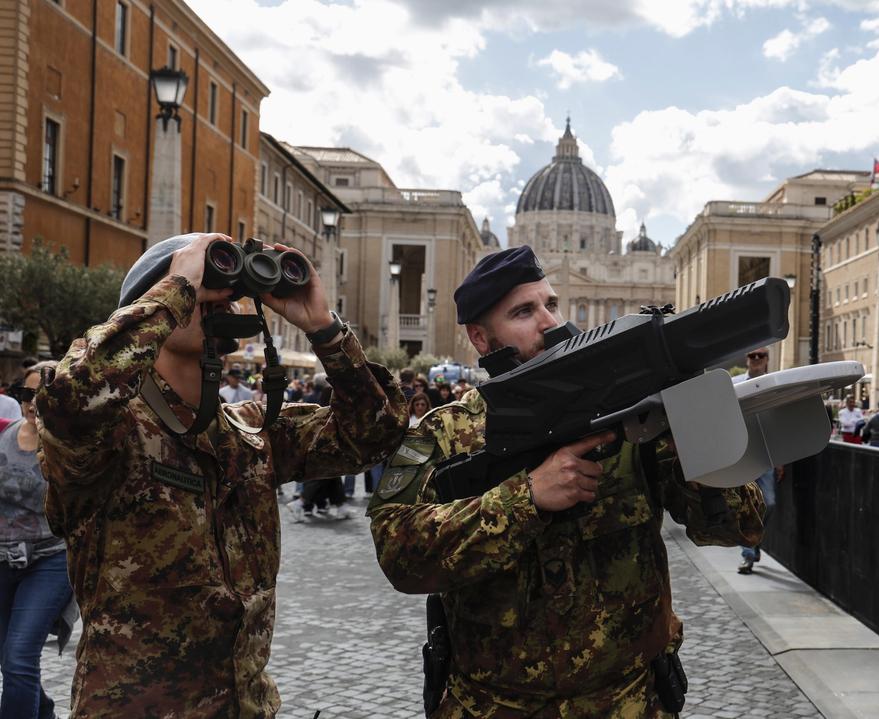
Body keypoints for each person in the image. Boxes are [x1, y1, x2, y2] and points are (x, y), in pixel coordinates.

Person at [367, 245, 764, 716]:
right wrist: (524, 499)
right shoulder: (446, 432)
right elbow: (399, 555)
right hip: (493, 706)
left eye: (551, 304)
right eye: (523, 312)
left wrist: (697, 433)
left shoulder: (630, 418)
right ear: (480, 337)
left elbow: (739, 526)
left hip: (630, 703)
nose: (550, 322)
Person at [35, 232, 408, 717]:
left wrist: (323, 328)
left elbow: (372, 434)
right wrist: (177, 287)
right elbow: (73, 398)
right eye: (198, 289)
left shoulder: (251, 430)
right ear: (149, 308)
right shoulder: (109, 434)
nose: (213, 301)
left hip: (245, 705)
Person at [1, 363, 76, 719]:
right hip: (3, 560)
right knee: (8, 661)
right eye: (27, 394)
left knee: (18, 658)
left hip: (50, 561)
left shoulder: (75, 448)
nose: (33, 403)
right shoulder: (2, 436)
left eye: (43, 394)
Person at [735, 347, 781, 575]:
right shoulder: (735, 385)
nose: (755, 360)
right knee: (747, 506)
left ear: (767, 360)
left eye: (760, 356)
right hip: (742, 454)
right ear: (747, 360)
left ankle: (755, 540)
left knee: (769, 503)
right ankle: (748, 555)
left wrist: (780, 458)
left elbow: (777, 424)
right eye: (752, 356)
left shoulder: (774, 385)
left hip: (765, 456)